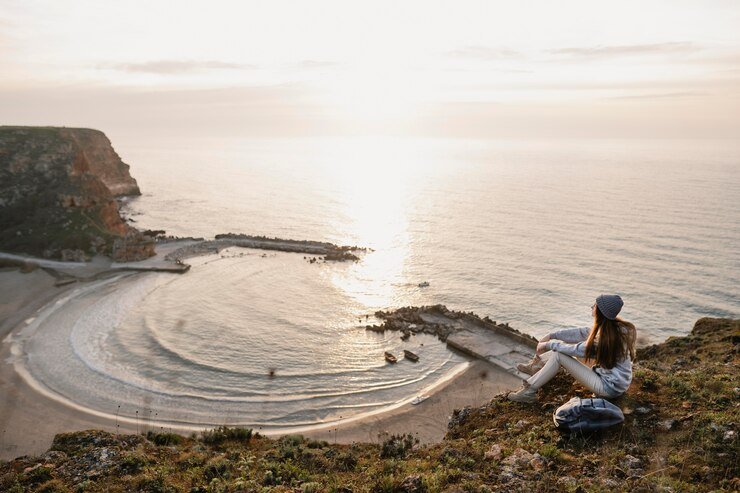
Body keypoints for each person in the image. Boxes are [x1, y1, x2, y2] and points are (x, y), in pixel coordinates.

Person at [508, 294, 636, 403]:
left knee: (559, 355)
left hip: (609, 388)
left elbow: (576, 349)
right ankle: (536, 366)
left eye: (595, 305)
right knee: (563, 347)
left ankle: (528, 392)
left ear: (600, 311)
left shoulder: (605, 340)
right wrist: (552, 335)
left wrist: (548, 344)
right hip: (616, 383)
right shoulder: (615, 328)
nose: (591, 307)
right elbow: (582, 333)